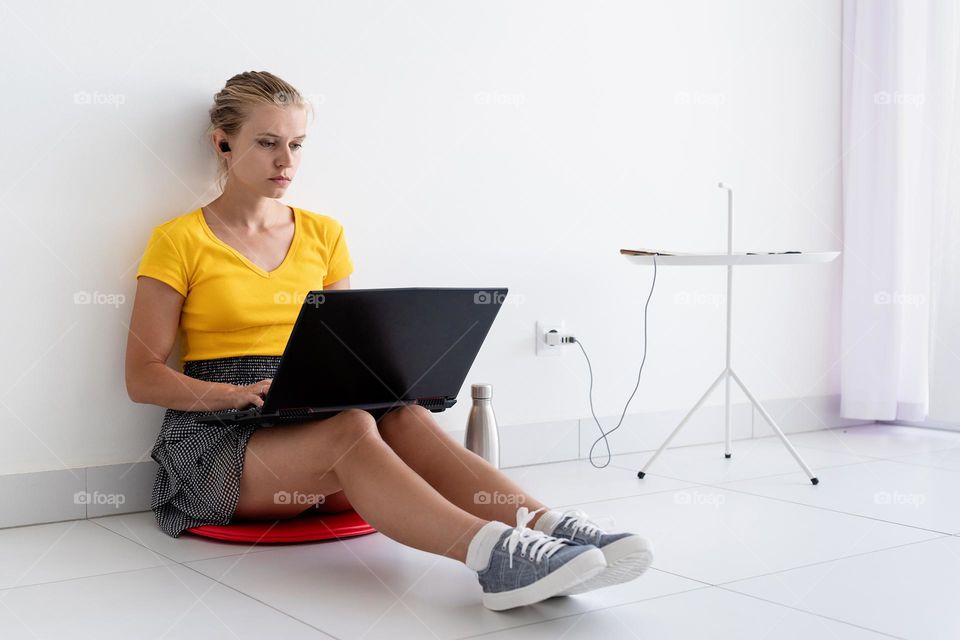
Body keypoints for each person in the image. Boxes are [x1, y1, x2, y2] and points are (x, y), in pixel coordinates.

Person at [124, 70, 653, 611]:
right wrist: (235, 394)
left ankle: (551, 526)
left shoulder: (323, 234)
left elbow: (343, 349)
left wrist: (396, 379)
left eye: (297, 145)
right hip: (218, 441)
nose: (286, 162)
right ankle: (495, 557)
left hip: (308, 419)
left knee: (404, 416)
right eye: (267, 143)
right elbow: (142, 377)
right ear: (223, 142)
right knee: (352, 426)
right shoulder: (178, 240)